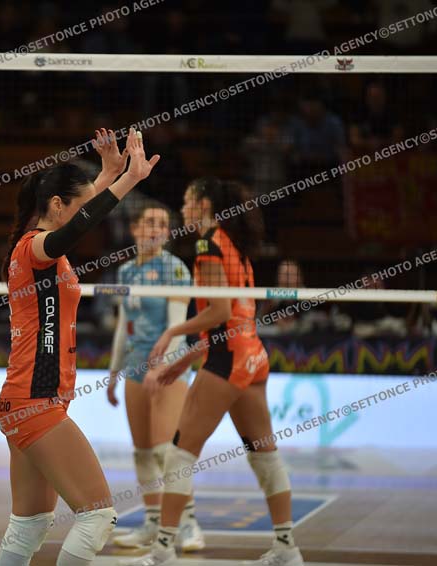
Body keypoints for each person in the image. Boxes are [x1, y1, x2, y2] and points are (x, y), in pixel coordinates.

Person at [0, 128, 159, 566]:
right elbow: (81, 222)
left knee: (29, 525)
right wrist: (128, 179)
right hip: (35, 401)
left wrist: (107, 174)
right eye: (77, 205)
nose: (86, 214)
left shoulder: (39, 248)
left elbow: (79, 212)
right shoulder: (35, 248)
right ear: (55, 206)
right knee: (98, 517)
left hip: (26, 401)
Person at [124, 179, 304, 566]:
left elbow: (219, 313)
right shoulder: (234, 244)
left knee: (179, 454)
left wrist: (173, 332)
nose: (183, 209)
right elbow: (232, 321)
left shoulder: (207, 246)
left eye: (188, 202)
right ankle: (287, 548)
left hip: (227, 360)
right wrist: (185, 359)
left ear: (204, 205)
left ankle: (162, 550)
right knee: (264, 455)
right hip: (252, 356)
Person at [105, 203, 205, 552]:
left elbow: (178, 325)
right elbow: (123, 326)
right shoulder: (126, 271)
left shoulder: (174, 268)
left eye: (163, 224)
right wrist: (113, 373)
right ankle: (152, 522)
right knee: (143, 452)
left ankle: (188, 524)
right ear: (134, 229)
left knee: (168, 453)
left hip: (169, 367)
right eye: (150, 222)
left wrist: (161, 368)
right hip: (135, 366)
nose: (157, 229)